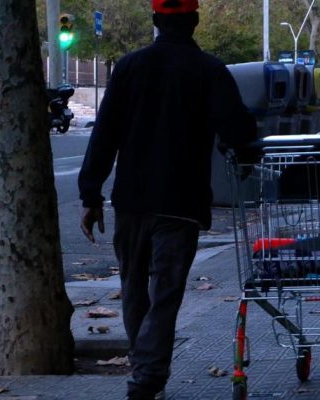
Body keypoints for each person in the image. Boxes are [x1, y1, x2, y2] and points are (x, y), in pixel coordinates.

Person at [77, 0, 257, 398]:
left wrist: (91, 194)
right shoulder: (209, 70)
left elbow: (103, 135)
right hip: (182, 202)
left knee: (134, 289)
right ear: (194, 21)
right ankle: (148, 376)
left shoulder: (128, 67)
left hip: (132, 199)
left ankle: (145, 371)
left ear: (156, 21)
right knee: (166, 293)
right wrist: (248, 150)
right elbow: (238, 128)